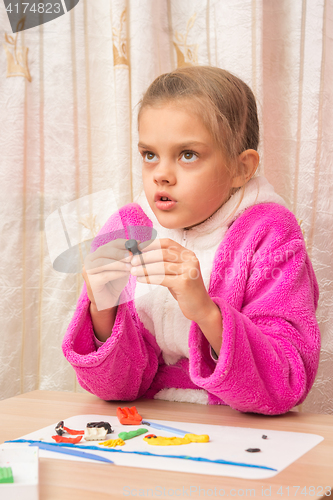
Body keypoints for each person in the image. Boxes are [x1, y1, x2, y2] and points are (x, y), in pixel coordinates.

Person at [62, 66, 320, 415]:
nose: (162, 175)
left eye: (188, 155)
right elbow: (115, 389)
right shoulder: (126, 228)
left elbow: (286, 384)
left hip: (243, 430)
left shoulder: (270, 234)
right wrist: (102, 307)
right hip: (151, 426)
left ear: (241, 168)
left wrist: (205, 310)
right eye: (149, 154)